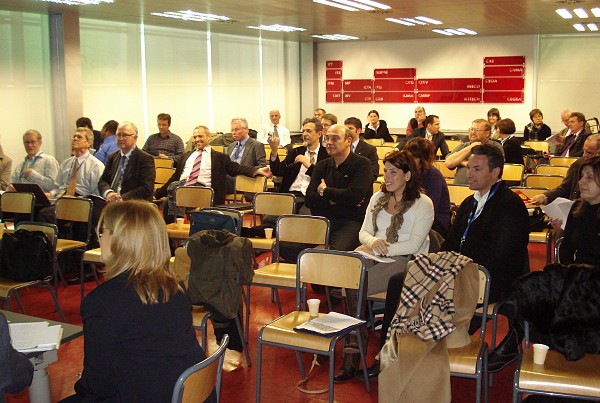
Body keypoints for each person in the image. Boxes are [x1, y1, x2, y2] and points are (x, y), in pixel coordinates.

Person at [362, 144, 530, 380]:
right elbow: (450, 243)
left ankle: (409, 357)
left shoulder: (510, 205)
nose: (469, 174)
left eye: (477, 169)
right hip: (458, 270)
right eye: (469, 168)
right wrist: (435, 264)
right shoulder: (470, 203)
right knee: (400, 281)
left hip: (488, 278)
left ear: (495, 172)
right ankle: (388, 356)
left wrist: (451, 270)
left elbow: (501, 257)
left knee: (417, 288)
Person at [60, 201, 208, 403]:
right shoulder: (176, 290)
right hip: (187, 394)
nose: (99, 238)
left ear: (122, 240)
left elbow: (98, 385)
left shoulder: (102, 302)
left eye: (103, 231)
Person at [334, 150, 434, 383]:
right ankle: (356, 333)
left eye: (393, 172)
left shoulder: (422, 203)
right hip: (374, 252)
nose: (386, 177)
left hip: (406, 260)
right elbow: (364, 232)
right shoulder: (378, 197)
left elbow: (414, 244)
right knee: (345, 270)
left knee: (354, 282)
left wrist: (384, 249)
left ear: (408, 175)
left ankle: (354, 343)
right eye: (385, 171)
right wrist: (373, 243)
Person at [155, 125, 271, 222]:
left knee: (174, 191)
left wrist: (256, 170)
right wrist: (157, 194)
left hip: (204, 192)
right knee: (168, 200)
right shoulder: (186, 156)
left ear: (209, 137)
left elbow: (236, 168)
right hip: (181, 188)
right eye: (195, 137)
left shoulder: (219, 157)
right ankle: (173, 234)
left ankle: (177, 222)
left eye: (200, 136)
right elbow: (174, 178)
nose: (197, 139)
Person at [305, 124, 373, 251]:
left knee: (336, 253)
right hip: (322, 220)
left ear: (348, 141)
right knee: (286, 245)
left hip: (350, 222)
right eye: (327, 138)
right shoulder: (322, 165)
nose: (329, 142)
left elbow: (353, 197)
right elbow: (309, 199)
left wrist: (324, 191)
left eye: (335, 139)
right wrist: (335, 200)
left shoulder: (362, 164)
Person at [268, 117, 328, 213]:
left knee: (303, 218)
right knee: (269, 218)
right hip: (291, 195)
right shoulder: (296, 152)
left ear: (319, 134)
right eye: (303, 131)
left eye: (309, 131)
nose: (305, 134)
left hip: (311, 198)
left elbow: (325, 177)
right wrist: (274, 151)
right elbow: (278, 171)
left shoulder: (327, 155)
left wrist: (308, 165)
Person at [531, 134, 600, 206]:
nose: (584, 155)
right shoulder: (578, 164)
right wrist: (544, 197)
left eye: (589, 153)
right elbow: (565, 188)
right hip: (574, 208)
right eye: (584, 151)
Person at [97, 121, 155, 203]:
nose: (120, 138)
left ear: (135, 138)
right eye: (118, 135)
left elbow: (146, 188)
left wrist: (121, 198)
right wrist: (109, 193)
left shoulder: (145, 159)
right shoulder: (112, 157)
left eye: (124, 135)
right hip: (111, 202)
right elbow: (103, 181)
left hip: (134, 204)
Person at [404, 137, 451, 237]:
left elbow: (429, 210)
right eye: (408, 157)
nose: (409, 161)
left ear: (423, 159)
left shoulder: (434, 176)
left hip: (435, 226)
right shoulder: (408, 172)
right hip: (413, 220)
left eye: (414, 157)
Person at [559, 155, 600, 266]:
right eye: (581, 176)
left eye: (589, 177)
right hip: (580, 273)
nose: (580, 182)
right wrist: (573, 272)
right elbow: (566, 249)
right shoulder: (577, 208)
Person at [445, 118, 505, 185]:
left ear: (487, 133)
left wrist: (460, 161)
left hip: (486, 188)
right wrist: (471, 147)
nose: (472, 132)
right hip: (460, 187)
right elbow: (449, 163)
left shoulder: (495, 147)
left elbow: (491, 167)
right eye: (471, 129)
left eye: (477, 130)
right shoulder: (464, 146)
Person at [226, 117, 267, 195]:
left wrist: (246, 170)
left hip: (245, 179)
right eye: (232, 130)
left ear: (246, 130)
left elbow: (262, 166)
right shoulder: (231, 146)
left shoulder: (256, 145)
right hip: (230, 179)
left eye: (236, 129)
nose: (233, 133)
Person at [345, 117, 379, 181]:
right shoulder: (340, 147)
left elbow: (373, 173)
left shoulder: (369, 150)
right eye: (345, 129)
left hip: (361, 184)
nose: (347, 132)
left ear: (359, 131)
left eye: (350, 128)